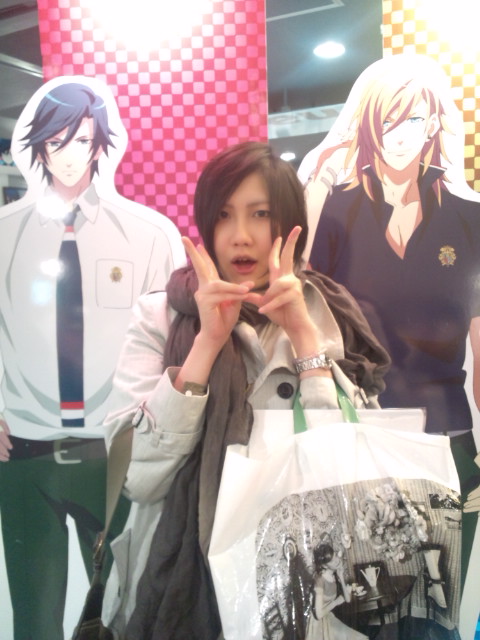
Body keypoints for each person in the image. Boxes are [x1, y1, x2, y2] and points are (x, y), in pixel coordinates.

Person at [101, 141, 390, 638]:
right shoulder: (160, 316)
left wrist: (305, 341)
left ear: (291, 224)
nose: (240, 236)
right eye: (224, 215)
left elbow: (351, 475)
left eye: (260, 214)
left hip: (306, 586)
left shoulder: (330, 314)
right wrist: (206, 344)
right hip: (181, 584)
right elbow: (138, 480)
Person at [0, 77, 184, 639]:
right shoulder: (5, 235)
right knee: (35, 622)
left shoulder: (148, 236)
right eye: (55, 142)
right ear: (38, 147)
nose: (68, 155)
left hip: (116, 454)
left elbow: (173, 341)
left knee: (125, 615)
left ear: (101, 142)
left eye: (81, 140)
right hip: (25, 456)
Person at [300, 54, 480, 594]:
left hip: (448, 436)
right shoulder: (336, 210)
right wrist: (318, 181)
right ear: (368, 125)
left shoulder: (469, 217)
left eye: (414, 119)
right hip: (361, 437)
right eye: (388, 120)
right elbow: (297, 298)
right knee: (370, 610)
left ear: (433, 124)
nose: (400, 135)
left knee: (443, 606)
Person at [305, 543, 367, 640]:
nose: (337, 560)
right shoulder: (320, 580)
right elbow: (318, 614)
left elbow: (347, 599)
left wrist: (341, 577)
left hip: (328, 618)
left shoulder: (333, 574)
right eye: (332, 560)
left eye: (335, 556)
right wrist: (336, 602)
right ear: (324, 565)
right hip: (318, 626)